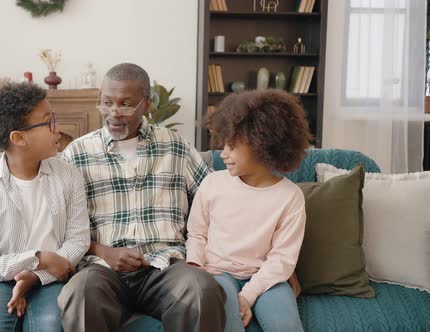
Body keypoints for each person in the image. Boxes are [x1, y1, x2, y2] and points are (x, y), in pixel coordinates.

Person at [58, 63, 226, 332]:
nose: (113, 113)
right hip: (102, 270)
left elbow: (218, 203)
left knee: (201, 289)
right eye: (106, 102)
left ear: (146, 104)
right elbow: (61, 228)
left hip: (165, 268)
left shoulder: (177, 147)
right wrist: (104, 252)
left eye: (125, 105)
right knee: (80, 292)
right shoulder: (77, 154)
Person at [0, 82, 90, 332]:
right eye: (49, 122)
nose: (58, 129)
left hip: (50, 278)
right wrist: (37, 258)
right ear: (18, 137)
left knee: (52, 326)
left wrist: (36, 275)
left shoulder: (69, 176)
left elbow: (78, 241)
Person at [186, 89, 312, 332]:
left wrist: (247, 295)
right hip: (217, 275)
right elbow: (197, 234)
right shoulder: (213, 183)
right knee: (226, 324)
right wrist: (196, 272)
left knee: (286, 326)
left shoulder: (291, 197)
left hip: (267, 279)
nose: (223, 154)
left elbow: (281, 259)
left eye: (232, 146)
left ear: (261, 143)